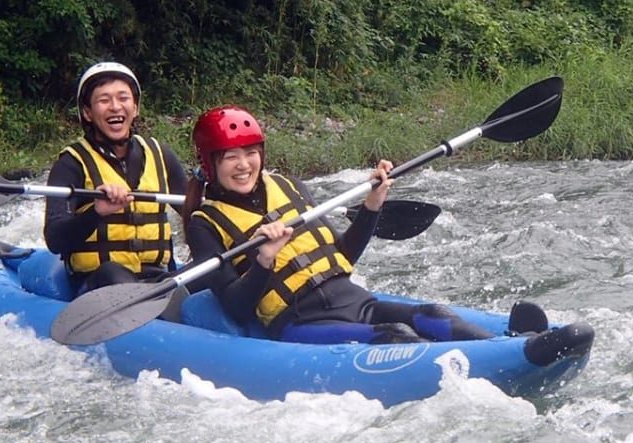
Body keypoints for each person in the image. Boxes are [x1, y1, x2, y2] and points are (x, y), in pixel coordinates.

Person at [181, 105, 497, 344]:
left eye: (251, 153)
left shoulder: (289, 186)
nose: (244, 165)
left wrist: (373, 205)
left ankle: (512, 344)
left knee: (432, 315)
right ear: (210, 163)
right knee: (394, 335)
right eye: (230, 156)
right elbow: (236, 307)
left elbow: (343, 254)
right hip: (301, 323)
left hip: (356, 302)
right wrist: (264, 258)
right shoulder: (203, 225)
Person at [44, 62, 188, 296]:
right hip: (98, 283)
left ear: (135, 107)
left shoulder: (160, 155)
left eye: (123, 98)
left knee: (213, 268)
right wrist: (96, 212)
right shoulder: (71, 164)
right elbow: (55, 240)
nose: (115, 107)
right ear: (87, 112)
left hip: (157, 278)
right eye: (104, 100)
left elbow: (198, 213)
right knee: (112, 271)